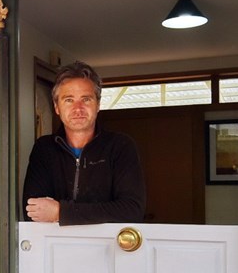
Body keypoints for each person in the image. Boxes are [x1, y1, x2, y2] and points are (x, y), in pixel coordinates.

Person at [22, 61, 146, 225]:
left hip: (107, 246)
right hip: (56, 247)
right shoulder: (44, 149)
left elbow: (132, 210)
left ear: (98, 105)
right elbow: (33, 211)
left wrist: (61, 212)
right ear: (57, 107)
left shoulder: (120, 146)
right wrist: (98, 212)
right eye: (69, 100)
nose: (78, 109)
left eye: (86, 99)